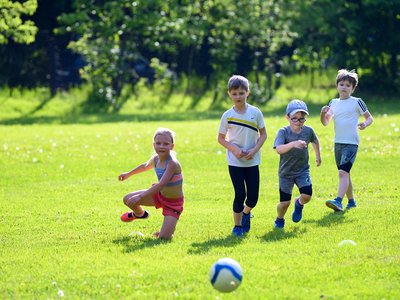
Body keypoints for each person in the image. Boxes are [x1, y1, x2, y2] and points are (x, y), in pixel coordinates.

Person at [218, 75, 267, 237]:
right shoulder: (227, 115)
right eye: (234, 93)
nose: (238, 96)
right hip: (235, 162)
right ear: (229, 94)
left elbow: (264, 135)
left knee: (253, 197)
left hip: (252, 161)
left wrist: (253, 150)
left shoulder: (255, 112)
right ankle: (237, 226)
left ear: (248, 93)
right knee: (240, 194)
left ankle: (247, 212)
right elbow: (220, 138)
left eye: (241, 93)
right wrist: (234, 149)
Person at [320, 69, 374, 211]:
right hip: (338, 143)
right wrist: (322, 114)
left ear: (353, 88)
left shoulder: (357, 102)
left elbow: (370, 117)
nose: (344, 87)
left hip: (351, 143)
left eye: (348, 85)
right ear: (337, 86)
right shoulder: (333, 102)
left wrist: (365, 124)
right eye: (342, 84)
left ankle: (338, 201)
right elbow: (326, 122)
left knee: (342, 173)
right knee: (345, 173)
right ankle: (351, 202)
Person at [118, 128, 184, 239]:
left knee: (164, 238)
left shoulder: (172, 163)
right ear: (154, 145)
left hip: (173, 203)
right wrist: (129, 174)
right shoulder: (156, 159)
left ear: (172, 146)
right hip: (159, 196)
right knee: (127, 199)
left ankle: (166, 231)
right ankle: (140, 214)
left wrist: (140, 196)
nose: (161, 146)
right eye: (158, 143)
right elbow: (145, 166)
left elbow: (161, 184)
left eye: (165, 144)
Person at [273, 100, 321, 229]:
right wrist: (293, 144)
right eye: (294, 119)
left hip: (302, 170)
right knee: (285, 203)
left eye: (302, 119)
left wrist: (318, 156)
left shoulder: (308, 131)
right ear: (287, 117)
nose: (298, 122)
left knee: (307, 195)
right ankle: (279, 219)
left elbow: (315, 141)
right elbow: (279, 149)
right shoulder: (283, 132)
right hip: (285, 173)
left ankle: (299, 204)